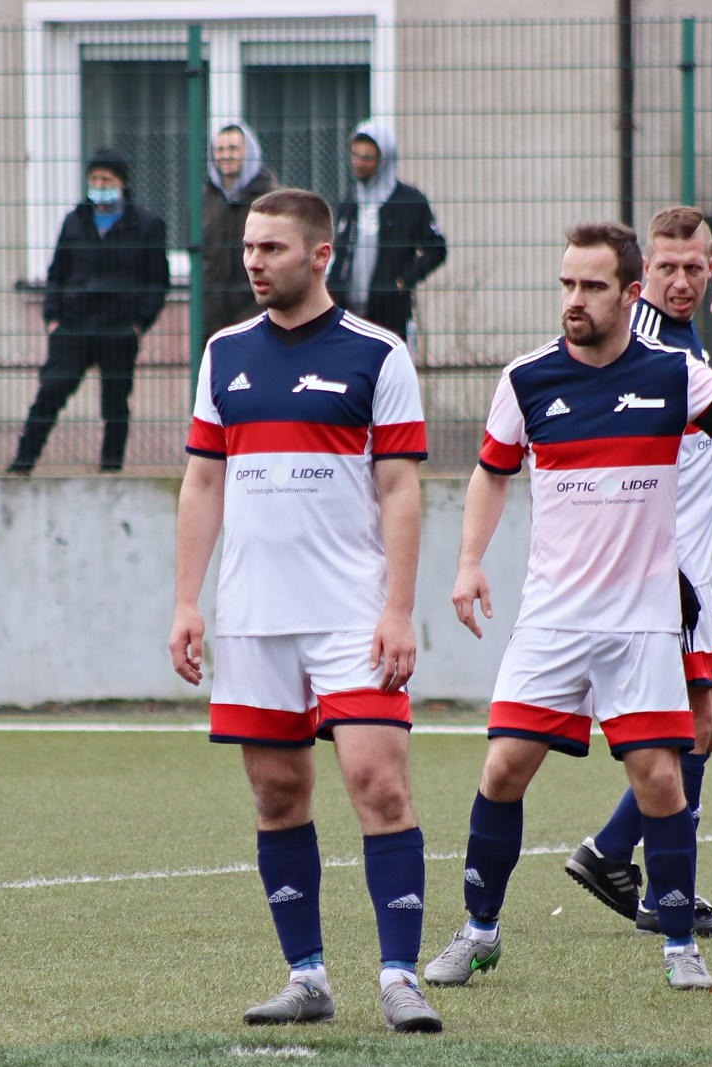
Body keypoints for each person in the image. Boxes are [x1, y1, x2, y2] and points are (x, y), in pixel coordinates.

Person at [423, 222, 712, 994]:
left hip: (643, 623)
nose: (574, 300)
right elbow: (491, 471)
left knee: (660, 779)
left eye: (591, 285)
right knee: (503, 768)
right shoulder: (526, 378)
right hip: (551, 619)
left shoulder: (676, 374)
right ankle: (479, 931)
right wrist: (469, 561)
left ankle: (679, 947)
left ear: (629, 292)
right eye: (567, 284)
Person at [168, 188, 441, 1034]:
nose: (254, 261)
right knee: (277, 791)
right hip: (254, 616)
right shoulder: (223, 352)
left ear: (320, 255)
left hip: (351, 613)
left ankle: (400, 976)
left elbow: (400, 489)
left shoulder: (378, 354)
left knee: (378, 782)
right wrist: (187, 600)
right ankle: (307, 976)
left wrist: (399, 609)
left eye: (272, 248)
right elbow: (202, 480)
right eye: (249, 246)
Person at [563, 206, 712, 941]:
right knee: (696, 721)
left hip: (693, 570)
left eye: (696, 269)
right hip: (665, 573)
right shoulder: (643, 348)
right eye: (668, 268)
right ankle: (660, 887)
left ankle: (612, 849)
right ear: (642, 273)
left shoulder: (689, 339)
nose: (683, 282)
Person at [7, 149, 169, 474]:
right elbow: (57, 273)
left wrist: (139, 323)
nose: (100, 185)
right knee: (50, 393)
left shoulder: (146, 225)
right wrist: (53, 318)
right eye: (94, 179)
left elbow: (157, 281)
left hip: (120, 328)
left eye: (106, 179)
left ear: (122, 183)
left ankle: (110, 471)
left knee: (115, 405)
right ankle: (21, 466)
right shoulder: (75, 221)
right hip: (74, 325)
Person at [330, 121, 446, 344]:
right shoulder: (350, 201)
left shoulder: (409, 201)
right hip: (348, 317)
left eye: (367, 157)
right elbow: (339, 252)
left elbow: (437, 249)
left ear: (384, 159)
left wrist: (402, 282)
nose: (358, 162)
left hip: (389, 319)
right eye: (355, 155)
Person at [202, 122, 278, 339]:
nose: (226, 155)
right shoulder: (203, 200)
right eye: (220, 149)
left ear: (249, 152)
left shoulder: (269, 198)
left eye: (233, 148)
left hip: (257, 312)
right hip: (212, 317)